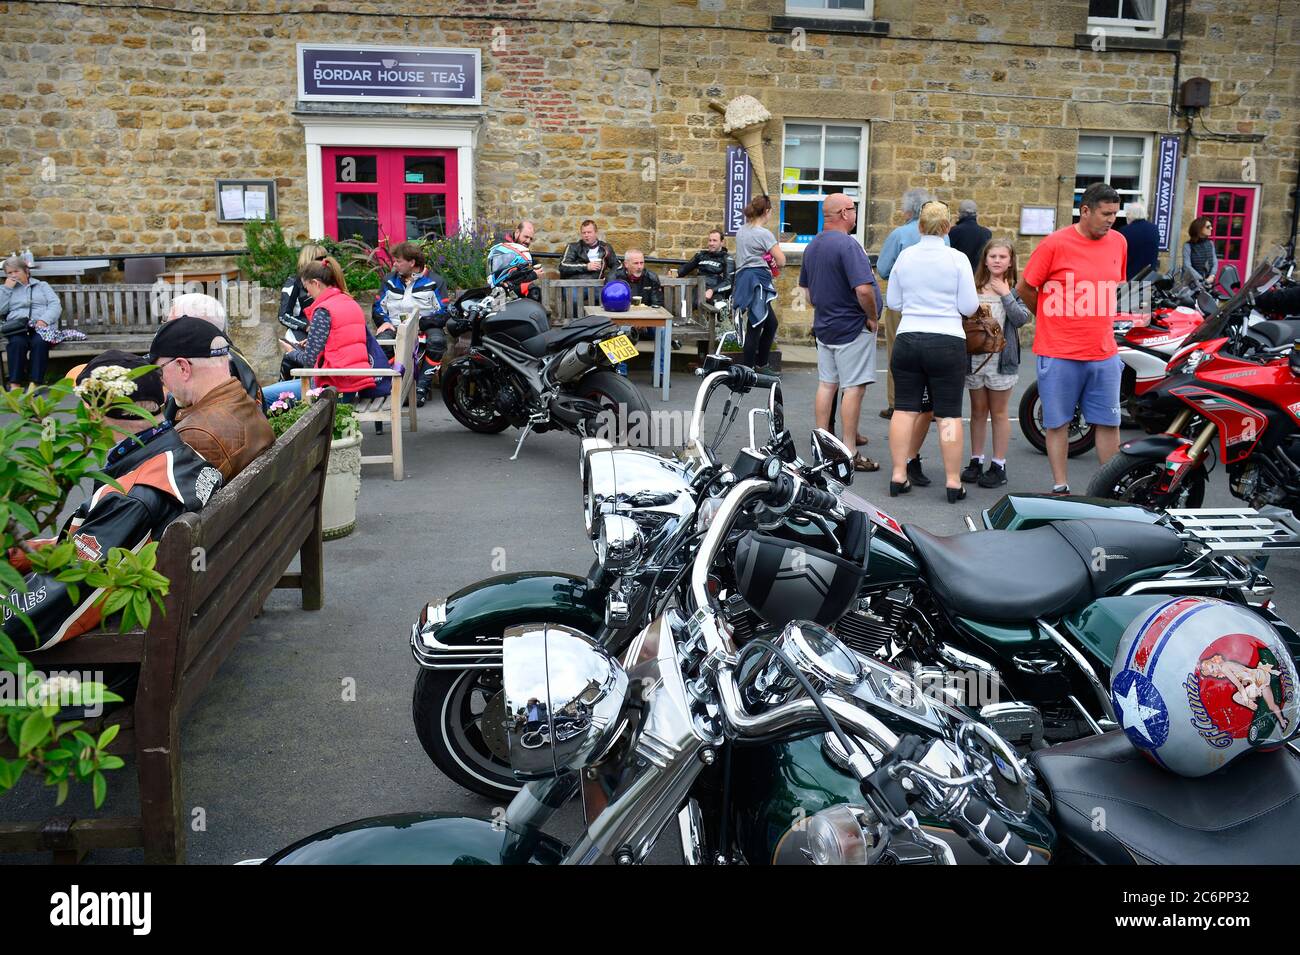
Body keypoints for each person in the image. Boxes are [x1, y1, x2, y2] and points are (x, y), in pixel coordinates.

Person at [4, 352, 225, 650]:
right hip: (189, 625)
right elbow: (84, 549)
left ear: (97, 413)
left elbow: (31, 619)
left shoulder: (130, 499)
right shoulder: (180, 458)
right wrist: (17, 555)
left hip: (118, 660)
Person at [1017, 181, 1128, 495]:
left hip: (1103, 350)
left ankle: (1110, 490)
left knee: (1109, 422)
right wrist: (1047, 317)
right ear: (1085, 210)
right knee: (1057, 422)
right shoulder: (1054, 244)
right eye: (1105, 214)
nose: (1110, 220)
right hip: (1059, 351)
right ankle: (1060, 486)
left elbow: (1113, 286)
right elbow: (1025, 287)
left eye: (1115, 214)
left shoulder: (1118, 242)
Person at [885, 200, 978, 502]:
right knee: (948, 415)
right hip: (947, 340)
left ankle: (899, 475)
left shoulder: (905, 257)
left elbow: (894, 303)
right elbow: (969, 306)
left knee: (904, 408)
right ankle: (953, 482)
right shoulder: (958, 259)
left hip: (909, 338)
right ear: (948, 227)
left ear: (920, 226)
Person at [799, 193, 882, 472]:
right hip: (851, 326)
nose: (856, 214)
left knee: (827, 384)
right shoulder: (848, 246)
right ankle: (849, 450)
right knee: (853, 388)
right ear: (845, 213)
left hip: (825, 326)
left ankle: (823, 444)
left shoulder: (812, 246)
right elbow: (863, 289)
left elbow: (808, 293)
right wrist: (871, 316)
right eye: (854, 209)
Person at [149, 317, 274, 483]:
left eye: (159, 371)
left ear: (183, 367)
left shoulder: (196, 435)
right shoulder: (243, 400)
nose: (162, 380)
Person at [960, 240, 1032, 489]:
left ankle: (998, 464)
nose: (998, 260)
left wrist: (1005, 294)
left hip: (1002, 361)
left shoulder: (1015, 289)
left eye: (1003, 256)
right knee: (978, 411)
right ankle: (976, 460)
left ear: (1011, 261)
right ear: (985, 259)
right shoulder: (973, 286)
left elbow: (1022, 319)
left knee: (999, 413)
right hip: (976, 359)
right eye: (993, 256)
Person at [263, 257, 382, 406]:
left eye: (307, 288)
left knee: (262, 396)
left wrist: (291, 351)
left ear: (316, 283)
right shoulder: (348, 301)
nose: (307, 294)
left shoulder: (324, 310)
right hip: (352, 382)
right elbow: (343, 341)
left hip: (333, 388)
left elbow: (308, 362)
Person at [876, 188, 949, 420]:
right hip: (937, 304)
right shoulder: (945, 237)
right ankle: (930, 403)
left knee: (896, 355)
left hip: (904, 304)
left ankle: (896, 403)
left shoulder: (899, 234)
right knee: (932, 356)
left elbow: (884, 269)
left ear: (910, 209)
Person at [165, 292, 263, 406]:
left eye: (171, 324)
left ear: (196, 328)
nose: (165, 331)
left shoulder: (212, 362)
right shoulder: (224, 351)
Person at [733, 195, 785, 372]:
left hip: (743, 280)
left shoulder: (741, 230)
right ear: (767, 211)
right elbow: (782, 260)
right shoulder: (764, 234)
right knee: (756, 324)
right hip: (757, 281)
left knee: (770, 324)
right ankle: (749, 370)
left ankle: (761, 364)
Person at [1, 255, 63, 389]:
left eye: (16, 271)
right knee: (17, 343)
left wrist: (44, 320)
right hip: (17, 327)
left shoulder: (42, 286)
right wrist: (6, 289)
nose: (13, 275)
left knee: (39, 343)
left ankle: (35, 383)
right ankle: (14, 383)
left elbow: (55, 305)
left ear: (26, 271)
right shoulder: (5, 289)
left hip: (41, 326)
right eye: (9, 273)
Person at [373, 241, 450, 347]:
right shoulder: (389, 280)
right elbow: (377, 308)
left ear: (412, 263)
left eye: (398, 261)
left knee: (437, 342)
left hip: (424, 328)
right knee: (382, 343)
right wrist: (384, 322)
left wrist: (422, 323)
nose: (394, 264)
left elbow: (444, 311)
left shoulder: (435, 281)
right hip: (394, 327)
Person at [279, 243, 329, 338]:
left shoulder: (328, 280)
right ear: (309, 260)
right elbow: (283, 315)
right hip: (300, 334)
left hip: (325, 333)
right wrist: (306, 326)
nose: (323, 262)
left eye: (325, 258)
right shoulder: (294, 282)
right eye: (319, 259)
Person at [679, 229, 733, 306]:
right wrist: (674, 273)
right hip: (699, 289)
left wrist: (712, 290)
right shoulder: (701, 255)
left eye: (714, 240)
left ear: (722, 242)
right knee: (684, 306)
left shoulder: (727, 259)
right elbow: (684, 269)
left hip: (716, 291)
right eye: (710, 240)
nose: (711, 243)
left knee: (719, 306)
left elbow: (729, 282)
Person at [947, 200, 993, 273]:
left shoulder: (953, 231)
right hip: (978, 276)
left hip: (958, 273)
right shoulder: (987, 233)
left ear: (959, 214)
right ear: (976, 214)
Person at [1120, 201, 1160, 279]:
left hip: (1129, 276)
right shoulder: (1154, 229)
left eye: (1127, 213)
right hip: (1148, 276)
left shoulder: (1124, 231)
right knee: (1145, 291)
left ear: (1130, 214)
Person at [1183, 217, 1219, 286]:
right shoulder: (1188, 245)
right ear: (1199, 229)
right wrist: (1202, 279)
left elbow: (1215, 261)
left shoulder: (1210, 243)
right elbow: (1186, 266)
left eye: (1211, 226)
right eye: (1208, 227)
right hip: (1193, 284)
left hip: (1209, 284)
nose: (1211, 228)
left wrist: (1212, 276)